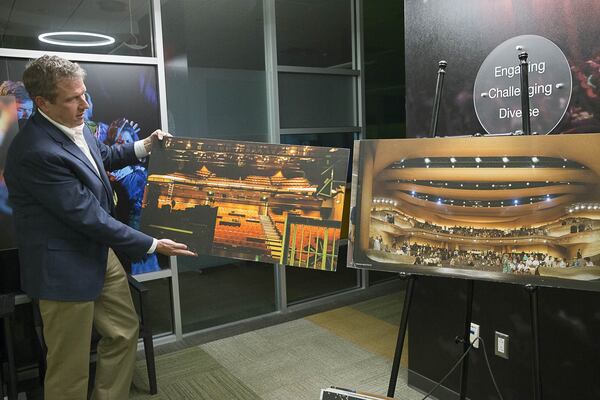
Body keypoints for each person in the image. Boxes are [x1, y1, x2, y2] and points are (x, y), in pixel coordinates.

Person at [4, 55, 196, 400]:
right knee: (69, 366)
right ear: (43, 103)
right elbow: (87, 216)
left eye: (85, 93)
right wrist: (152, 244)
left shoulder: (74, 127)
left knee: (123, 331)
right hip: (62, 268)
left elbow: (101, 156)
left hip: (97, 251)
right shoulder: (35, 151)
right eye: (73, 98)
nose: (85, 104)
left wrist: (144, 146)